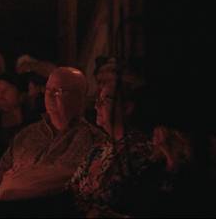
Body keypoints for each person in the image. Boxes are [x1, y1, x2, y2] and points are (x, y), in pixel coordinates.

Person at [0, 67, 104, 201]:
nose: (49, 96)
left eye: (57, 91)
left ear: (79, 98)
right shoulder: (27, 134)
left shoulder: (92, 140)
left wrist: (14, 180)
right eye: (47, 90)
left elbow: (70, 181)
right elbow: (0, 170)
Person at [70, 78, 163, 216]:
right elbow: (72, 187)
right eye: (97, 99)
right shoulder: (99, 147)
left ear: (127, 108)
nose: (97, 105)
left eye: (106, 100)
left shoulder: (141, 151)